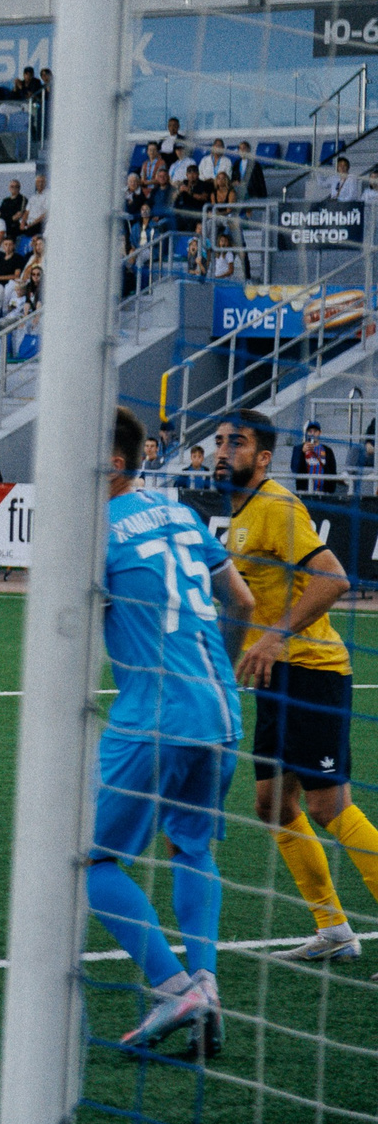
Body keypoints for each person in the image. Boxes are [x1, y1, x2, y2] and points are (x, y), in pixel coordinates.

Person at [92, 408, 250, 1055]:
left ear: (115, 463)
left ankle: (172, 985)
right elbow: (242, 601)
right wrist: (220, 675)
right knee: (192, 847)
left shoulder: (95, 529)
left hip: (152, 715)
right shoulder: (181, 512)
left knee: (89, 860)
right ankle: (205, 983)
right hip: (220, 711)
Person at [214, 411, 378, 963]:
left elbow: (334, 577)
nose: (223, 451)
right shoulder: (240, 513)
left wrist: (272, 638)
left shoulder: (277, 506)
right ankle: (334, 931)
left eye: (237, 443)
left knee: (329, 805)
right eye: (219, 441)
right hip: (276, 676)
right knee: (272, 804)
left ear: (263, 457)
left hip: (313, 671)